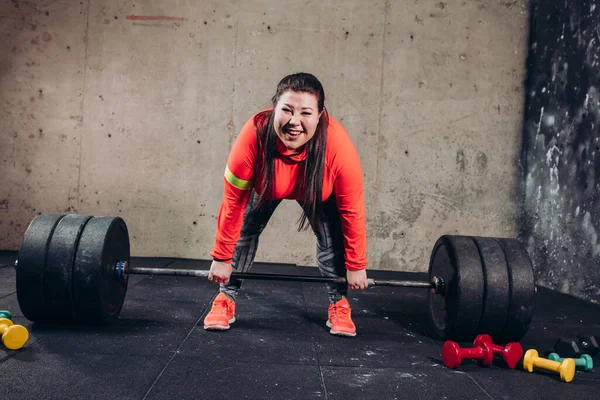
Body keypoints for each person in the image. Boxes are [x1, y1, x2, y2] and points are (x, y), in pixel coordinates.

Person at [205, 72, 369, 337]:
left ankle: (339, 303)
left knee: (331, 240)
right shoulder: (253, 137)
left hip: (316, 188)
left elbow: (352, 211)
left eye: (306, 113)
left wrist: (356, 264)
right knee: (244, 234)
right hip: (267, 184)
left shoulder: (338, 148)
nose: (295, 122)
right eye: (287, 110)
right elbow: (233, 203)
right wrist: (222, 257)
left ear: (320, 115)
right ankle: (225, 299)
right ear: (274, 108)